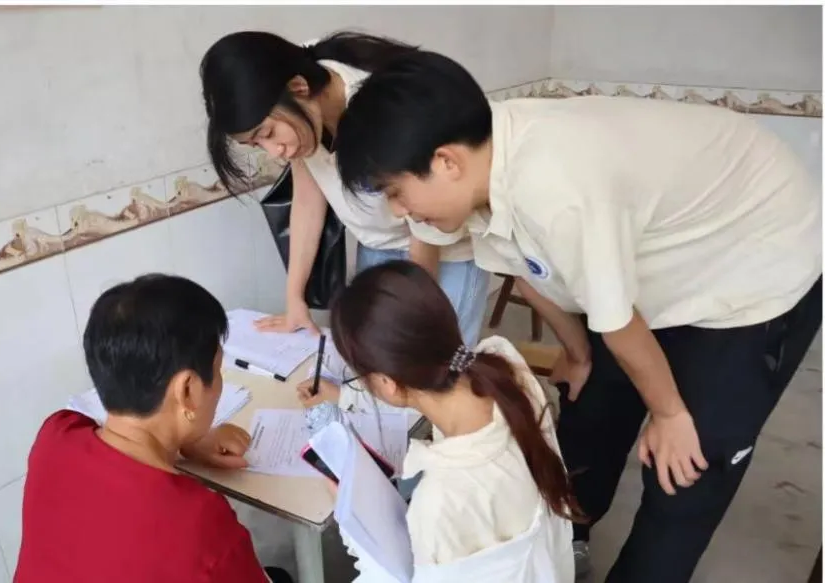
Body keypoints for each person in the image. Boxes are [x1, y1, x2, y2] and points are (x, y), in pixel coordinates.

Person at [332, 49, 822, 582]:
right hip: (659, 259)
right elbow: (528, 267)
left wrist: (669, 414)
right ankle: (567, 547)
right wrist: (577, 351)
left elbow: (617, 320)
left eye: (396, 192)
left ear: (446, 162)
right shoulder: (479, 168)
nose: (398, 211)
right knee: (591, 410)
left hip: (752, 258)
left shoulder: (557, 188)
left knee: (684, 470)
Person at [199, 30, 489, 347]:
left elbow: (425, 216)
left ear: (299, 88)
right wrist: (295, 299)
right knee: (375, 355)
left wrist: (414, 302)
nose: (275, 152)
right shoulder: (295, 90)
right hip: (377, 245)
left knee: (436, 359)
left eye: (268, 133)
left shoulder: (376, 105)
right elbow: (307, 200)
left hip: (442, 248)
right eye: (256, 144)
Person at [303, 259, 576, 581]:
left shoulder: (439, 503)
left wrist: (351, 520)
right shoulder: (502, 365)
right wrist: (346, 395)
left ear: (387, 383)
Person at [14, 274, 291, 583]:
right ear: (187, 390)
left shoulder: (56, 435)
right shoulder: (199, 524)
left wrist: (185, 442)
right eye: (217, 371)